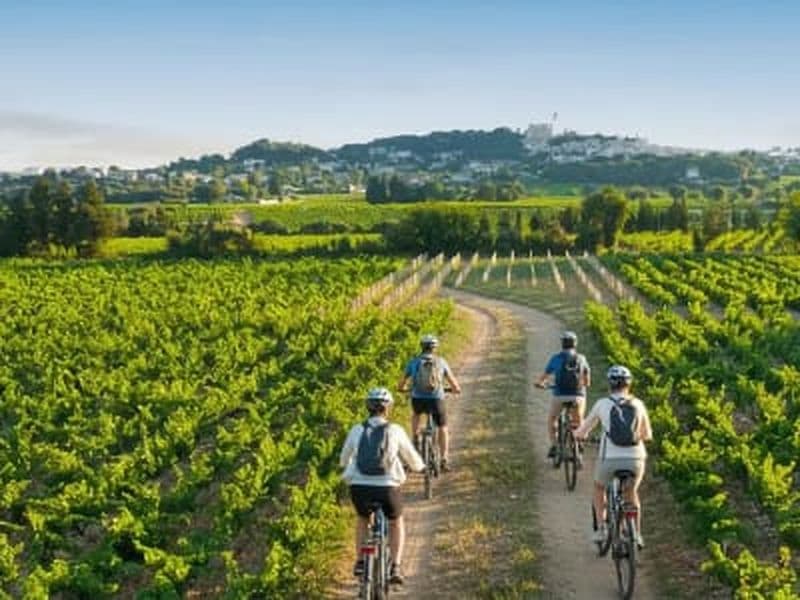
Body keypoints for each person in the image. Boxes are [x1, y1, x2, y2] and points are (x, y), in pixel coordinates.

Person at [339, 387, 424, 585]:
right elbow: (413, 459)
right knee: (396, 521)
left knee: (362, 518)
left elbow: (344, 460)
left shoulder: (357, 429)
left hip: (360, 487)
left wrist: (350, 463)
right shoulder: (395, 430)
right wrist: (419, 468)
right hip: (387, 487)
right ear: (388, 409)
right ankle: (395, 566)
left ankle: (360, 561)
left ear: (368, 407)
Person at [574, 365, 653, 548]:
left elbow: (583, 430)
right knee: (631, 493)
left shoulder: (603, 403)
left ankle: (602, 529)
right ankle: (637, 534)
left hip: (609, 458)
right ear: (629, 384)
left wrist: (579, 435)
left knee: (599, 487)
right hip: (636, 459)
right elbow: (647, 435)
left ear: (610, 384)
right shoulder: (638, 404)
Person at [398, 334, 461, 471]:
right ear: (435, 348)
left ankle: (415, 439)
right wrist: (455, 389)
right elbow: (453, 383)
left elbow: (401, 384)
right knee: (443, 427)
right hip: (436, 399)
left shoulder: (413, 362)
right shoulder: (441, 362)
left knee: (416, 414)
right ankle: (444, 459)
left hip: (418, 399)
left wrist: (403, 389)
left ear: (422, 347)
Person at [534, 331, 591, 460]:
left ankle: (555, 445)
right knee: (579, 419)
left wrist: (540, 384)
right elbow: (587, 382)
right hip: (578, 396)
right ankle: (580, 441)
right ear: (575, 344)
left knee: (552, 419)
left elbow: (543, 378)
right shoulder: (582, 359)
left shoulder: (556, 358)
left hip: (559, 395)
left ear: (562, 344)